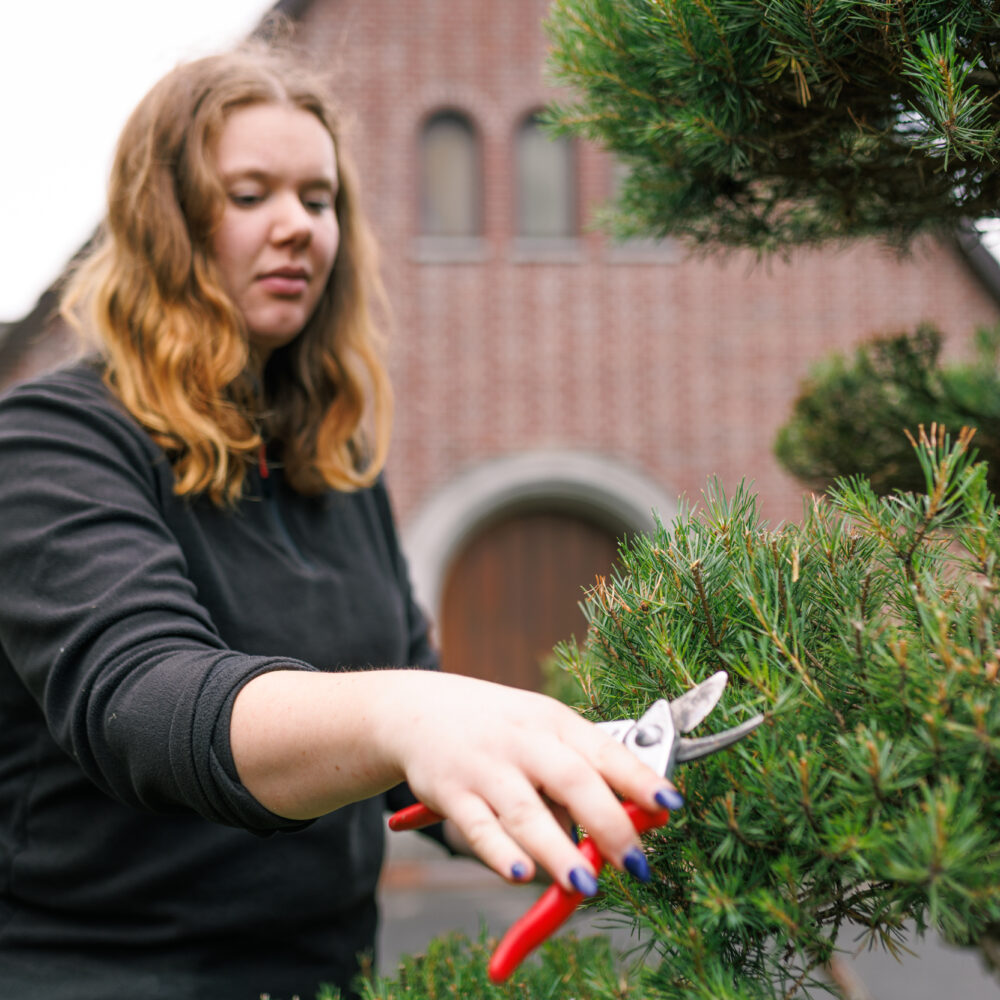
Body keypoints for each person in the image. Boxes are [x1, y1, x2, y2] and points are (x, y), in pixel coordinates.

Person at [0, 41, 682, 1000]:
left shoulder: (336, 466)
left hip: (334, 976)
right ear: (163, 222)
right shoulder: (50, 441)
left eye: (318, 200)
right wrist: (402, 714)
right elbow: (142, 701)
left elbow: (415, 767)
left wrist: (591, 780)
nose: (297, 227)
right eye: (250, 195)